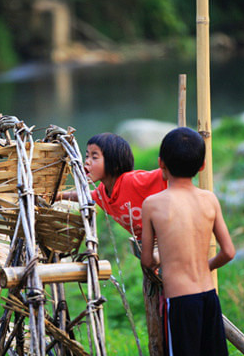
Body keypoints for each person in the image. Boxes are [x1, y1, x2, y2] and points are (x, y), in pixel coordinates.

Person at [59, 132, 167, 355]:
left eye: (94, 156)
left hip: (169, 247)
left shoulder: (132, 181)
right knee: (160, 312)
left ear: (114, 162)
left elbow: (164, 174)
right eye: (87, 155)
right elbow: (84, 196)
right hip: (151, 255)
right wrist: (58, 196)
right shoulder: (103, 193)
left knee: (172, 311)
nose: (87, 161)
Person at [141, 127, 235, 356]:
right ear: (202, 165)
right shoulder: (209, 199)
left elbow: (146, 260)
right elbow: (229, 252)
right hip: (209, 297)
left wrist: (159, 258)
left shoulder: (152, 204)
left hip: (181, 302)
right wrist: (205, 266)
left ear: (160, 162)